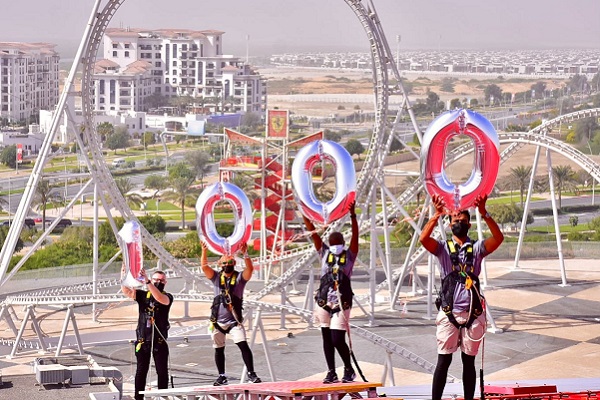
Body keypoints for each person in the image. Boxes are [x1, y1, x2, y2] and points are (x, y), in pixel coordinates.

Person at [419, 194, 504, 400]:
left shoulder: (477, 249)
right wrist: (437, 215)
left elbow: (498, 239)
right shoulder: (442, 249)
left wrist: (484, 212)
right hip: (449, 311)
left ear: (469, 224)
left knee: (469, 361)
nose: (458, 222)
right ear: (449, 225)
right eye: (455, 220)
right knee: (443, 360)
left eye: (462, 220)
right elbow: (424, 240)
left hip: (472, 312)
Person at [302, 201, 359, 384]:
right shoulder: (324, 253)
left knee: (337, 339)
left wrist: (353, 216)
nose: (335, 246)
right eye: (332, 243)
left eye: (338, 243)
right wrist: (305, 213)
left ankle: (348, 369)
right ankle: (331, 371)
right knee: (326, 338)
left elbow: (355, 237)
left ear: (342, 243)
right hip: (323, 301)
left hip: (342, 302)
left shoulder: (349, 255)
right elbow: (313, 234)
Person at [200, 241, 262, 386]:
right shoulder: (216, 278)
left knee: (243, 345)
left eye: (230, 262)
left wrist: (245, 254)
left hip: (234, 320)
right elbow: (204, 267)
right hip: (217, 321)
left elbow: (250, 269)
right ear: (220, 265)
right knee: (218, 349)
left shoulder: (239, 279)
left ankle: (251, 373)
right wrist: (204, 251)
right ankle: (222, 375)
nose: (227, 265)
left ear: (234, 263)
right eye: (224, 263)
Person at [121, 267, 173, 400]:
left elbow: (160, 298)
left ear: (165, 282)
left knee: (162, 371)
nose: (158, 282)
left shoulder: (167, 297)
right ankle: (138, 397)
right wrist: (124, 276)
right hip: (144, 340)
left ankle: (163, 396)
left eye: (161, 280)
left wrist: (149, 282)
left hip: (159, 341)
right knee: (141, 370)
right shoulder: (143, 296)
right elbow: (127, 291)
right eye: (156, 279)